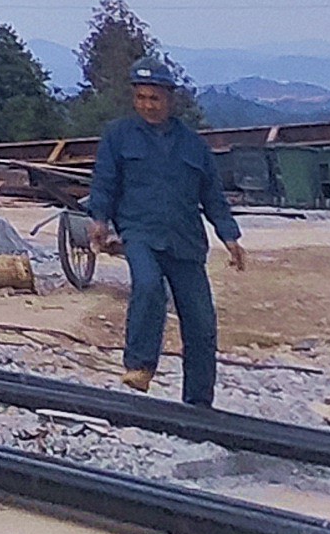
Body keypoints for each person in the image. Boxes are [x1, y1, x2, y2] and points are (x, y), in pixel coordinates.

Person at [86, 60, 245, 405]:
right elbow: (104, 182)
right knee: (147, 285)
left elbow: (213, 197)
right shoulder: (118, 136)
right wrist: (99, 219)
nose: (147, 105)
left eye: (154, 98)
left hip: (185, 242)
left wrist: (230, 236)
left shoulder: (193, 146)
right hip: (139, 232)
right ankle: (140, 365)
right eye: (141, 97)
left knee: (201, 323)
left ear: (170, 99)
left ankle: (198, 403)